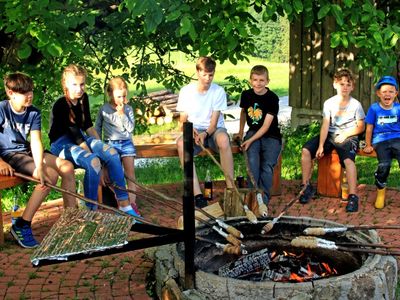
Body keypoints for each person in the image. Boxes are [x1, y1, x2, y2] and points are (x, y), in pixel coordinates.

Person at [48, 64, 140, 218]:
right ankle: (91, 210)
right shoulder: (61, 105)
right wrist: (98, 159)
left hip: (81, 138)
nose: (79, 89)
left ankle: (125, 205)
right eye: (75, 85)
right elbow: (76, 135)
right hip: (62, 144)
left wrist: (103, 151)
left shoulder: (83, 98)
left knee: (111, 153)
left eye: (82, 84)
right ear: (65, 84)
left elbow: (88, 126)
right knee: (93, 162)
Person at [0, 73, 76, 248]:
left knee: (67, 167)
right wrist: (1, 162)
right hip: (10, 155)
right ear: (10, 93)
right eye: (24, 92)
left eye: (31, 91)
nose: (29, 95)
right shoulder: (2, 109)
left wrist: (40, 164)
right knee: (49, 178)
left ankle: (71, 221)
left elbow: (35, 141)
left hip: (25, 150)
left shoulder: (34, 112)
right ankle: (22, 224)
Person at [299, 68, 365, 212]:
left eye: (348, 84)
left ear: (352, 87)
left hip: (349, 135)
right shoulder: (329, 103)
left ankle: (353, 196)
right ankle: (306, 187)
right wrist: (321, 145)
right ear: (335, 85)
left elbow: (361, 127)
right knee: (306, 151)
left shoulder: (355, 105)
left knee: (348, 161)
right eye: (341, 84)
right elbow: (325, 125)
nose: (345, 87)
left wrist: (346, 134)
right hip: (330, 135)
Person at [176, 56, 234, 208]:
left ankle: (231, 189)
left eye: (211, 75)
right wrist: (190, 129)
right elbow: (183, 119)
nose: (208, 79)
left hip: (213, 130)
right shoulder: (186, 91)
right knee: (181, 144)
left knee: (223, 140)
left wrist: (205, 134)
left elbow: (214, 123)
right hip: (194, 130)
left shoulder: (218, 91)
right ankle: (197, 194)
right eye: (204, 74)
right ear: (197, 72)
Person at [234, 65, 282, 205]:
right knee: (252, 165)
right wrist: (241, 132)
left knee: (266, 167)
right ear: (250, 81)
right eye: (255, 80)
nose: (258, 83)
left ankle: (264, 201)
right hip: (253, 132)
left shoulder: (272, 98)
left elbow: (266, 126)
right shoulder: (247, 95)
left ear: (267, 81)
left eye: (261, 80)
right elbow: (243, 112)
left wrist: (250, 141)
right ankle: (253, 199)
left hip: (271, 135)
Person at [95, 77, 140, 215]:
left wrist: (122, 115)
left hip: (126, 144)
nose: (122, 99)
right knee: (110, 177)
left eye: (124, 96)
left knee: (130, 176)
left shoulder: (128, 109)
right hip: (110, 144)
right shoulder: (104, 109)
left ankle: (131, 205)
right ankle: (121, 202)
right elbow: (97, 128)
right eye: (118, 96)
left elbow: (131, 128)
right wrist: (97, 146)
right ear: (110, 94)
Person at [363, 76, 399, 209]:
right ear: (378, 93)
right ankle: (381, 191)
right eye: (384, 91)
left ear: (396, 94)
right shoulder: (374, 109)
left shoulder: (398, 108)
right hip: (380, 141)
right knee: (384, 165)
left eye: (391, 91)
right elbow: (369, 128)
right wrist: (368, 145)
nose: (387, 94)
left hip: (397, 139)